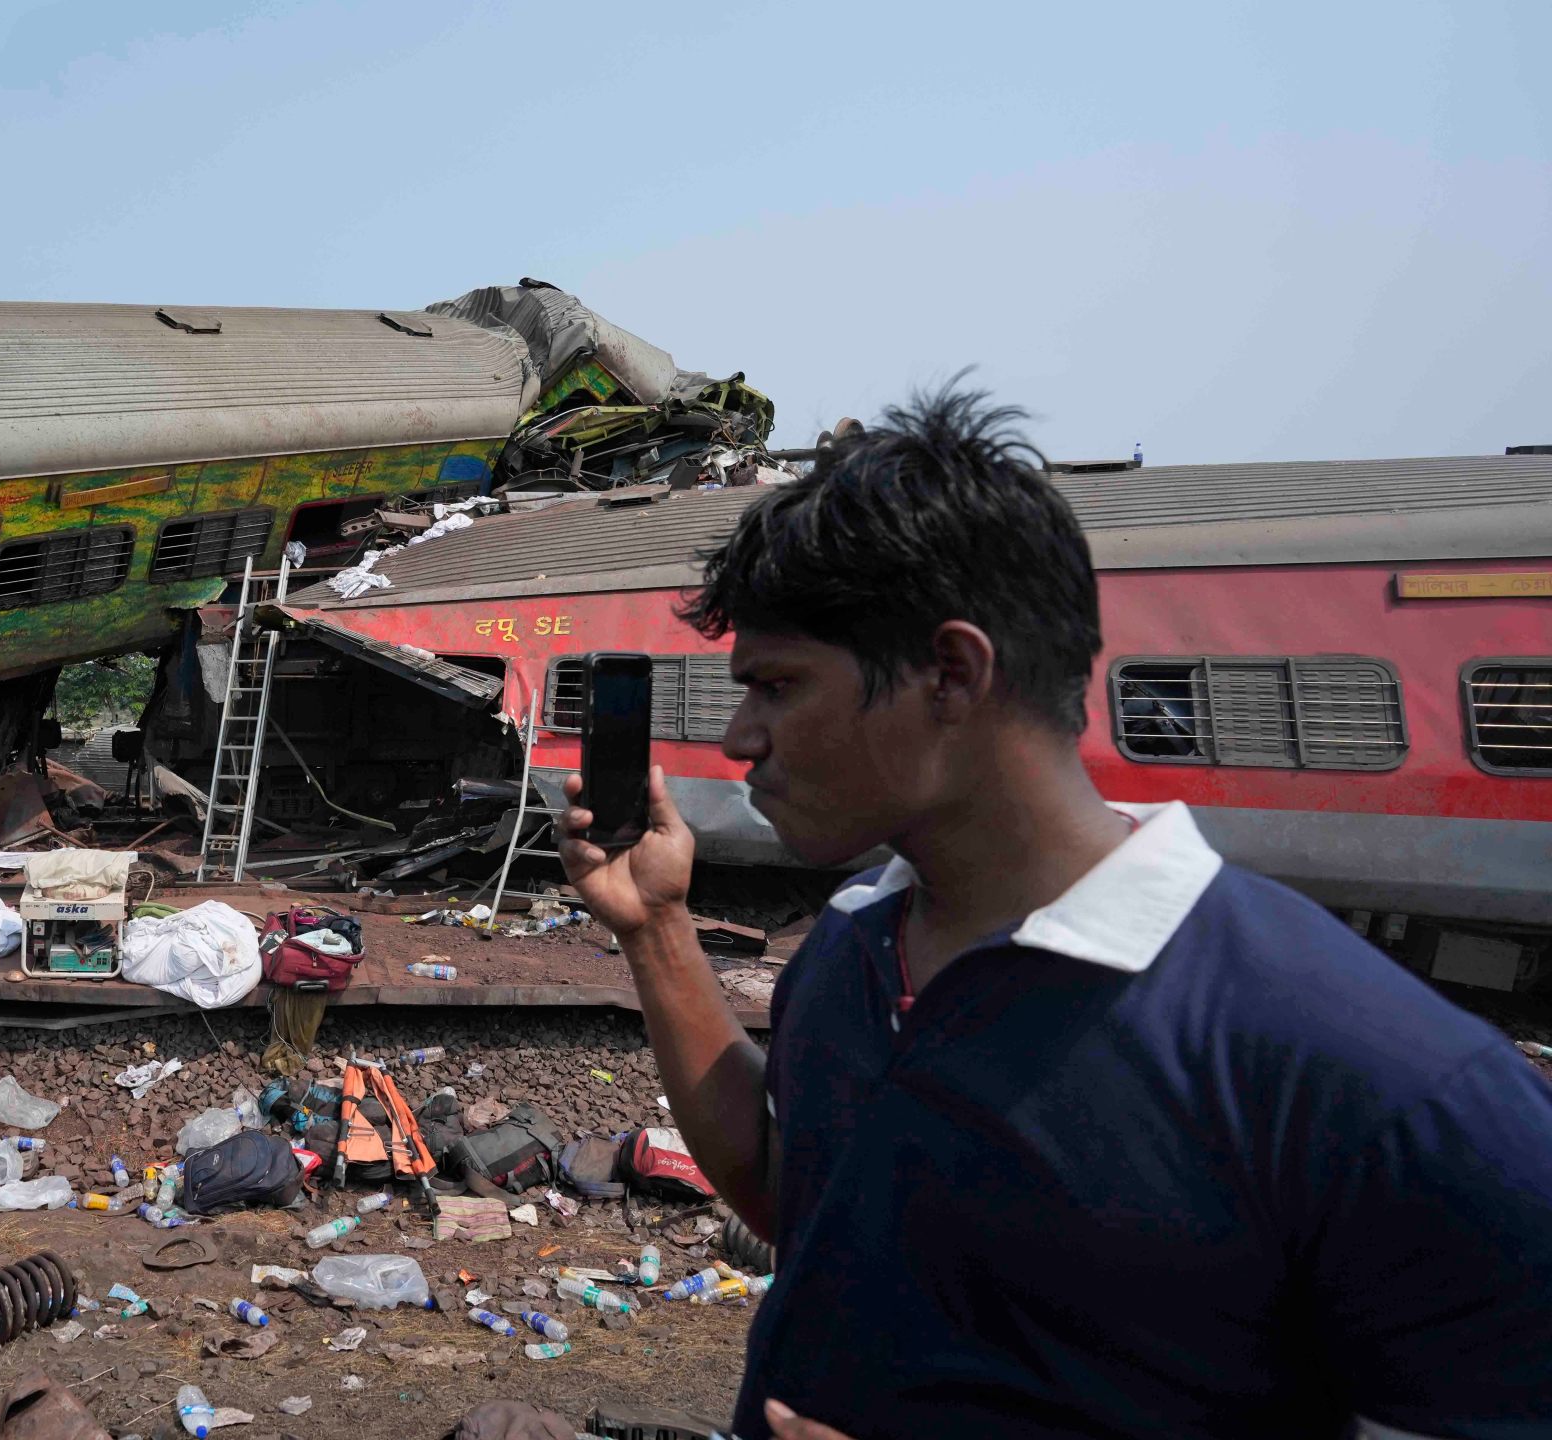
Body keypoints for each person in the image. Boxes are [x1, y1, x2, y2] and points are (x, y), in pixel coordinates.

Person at [559, 387, 1552, 1439]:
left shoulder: (1378, 1079)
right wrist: (656, 929)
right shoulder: (853, 946)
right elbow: (785, 1188)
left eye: (777, 686)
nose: (739, 740)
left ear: (951, 673)